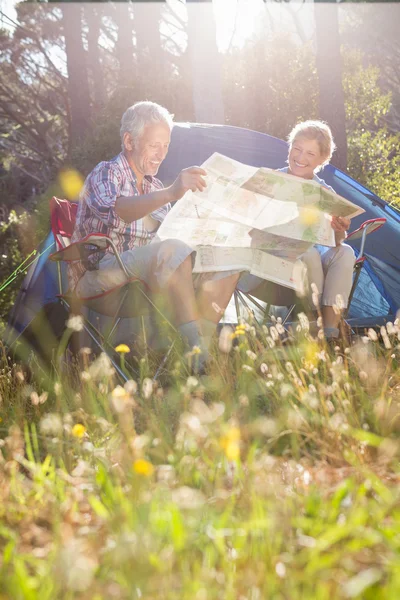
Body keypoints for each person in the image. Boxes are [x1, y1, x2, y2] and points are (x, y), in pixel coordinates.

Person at [68, 101, 241, 364]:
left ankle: (198, 351)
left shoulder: (154, 186)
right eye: (154, 145)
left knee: (228, 260)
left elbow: (172, 234)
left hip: (149, 273)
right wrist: (171, 192)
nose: (161, 154)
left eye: (166, 146)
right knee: (171, 249)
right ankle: (200, 355)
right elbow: (118, 211)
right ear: (129, 141)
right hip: (100, 272)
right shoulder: (106, 173)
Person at [238, 120, 355, 338]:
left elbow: (335, 242)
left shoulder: (324, 192)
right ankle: (314, 323)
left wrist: (339, 228)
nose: (301, 158)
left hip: (311, 265)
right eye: (297, 149)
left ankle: (328, 334)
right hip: (273, 265)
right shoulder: (271, 181)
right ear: (290, 147)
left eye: (310, 154)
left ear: (322, 159)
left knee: (346, 252)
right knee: (308, 252)